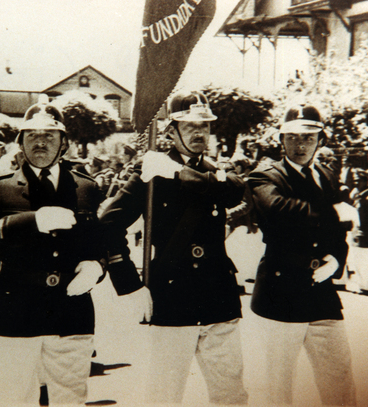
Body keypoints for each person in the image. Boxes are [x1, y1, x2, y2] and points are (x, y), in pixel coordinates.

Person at [100, 90, 248, 405]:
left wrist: (178, 172)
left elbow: (236, 192)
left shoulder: (215, 170)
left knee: (231, 394)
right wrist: (130, 284)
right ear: (172, 131)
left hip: (218, 297)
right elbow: (108, 223)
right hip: (171, 295)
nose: (199, 132)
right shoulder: (151, 171)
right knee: (164, 395)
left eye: (205, 126)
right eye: (190, 125)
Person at [0, 100, 109, 405]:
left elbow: (102, 242)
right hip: (16, 308)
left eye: (49, 136)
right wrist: (31, 221)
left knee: (70, 397)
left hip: (71, 311)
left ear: (64, 144)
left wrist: (97, 266)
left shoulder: (86, 187)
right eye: (32, 136)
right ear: (20, 143)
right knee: (16, 397)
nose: (40, 142)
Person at [248, 104, 356, 405]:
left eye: (309, 138)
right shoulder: (265, 176)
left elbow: (340, 229)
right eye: (293, 137)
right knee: (278, 387)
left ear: (320, 140)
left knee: (340, 379)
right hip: (281, 291)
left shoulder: (325, 173)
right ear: (281, 140)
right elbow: (279, 210)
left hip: (321, 292)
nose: (301, 145)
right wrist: (332, 211)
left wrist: (336, 259)